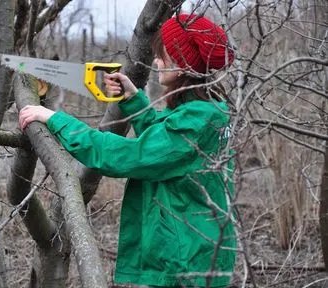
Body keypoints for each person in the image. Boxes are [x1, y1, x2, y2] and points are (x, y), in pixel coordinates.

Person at [19, 13, 236, 288]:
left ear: (182, 65)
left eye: (163, 56)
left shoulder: (195, 122)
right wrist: (134, 100)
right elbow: (167, 144)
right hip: (199, 250)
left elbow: (129, 156)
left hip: (187, 261)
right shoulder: (210, 112)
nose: (156, 62)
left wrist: (55, 119)